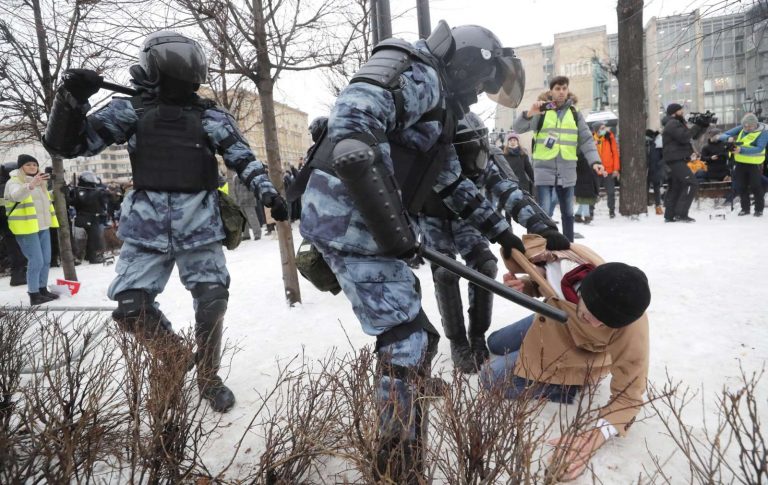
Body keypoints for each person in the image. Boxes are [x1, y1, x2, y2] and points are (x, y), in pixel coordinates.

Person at [299, 21, 567, 479]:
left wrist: (504, 234)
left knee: (419, 337)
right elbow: (351, 136)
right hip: (351, 221)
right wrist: (394, 231)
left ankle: (410, 392)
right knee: (404, 341)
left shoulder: (438, 105)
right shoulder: (417, 72)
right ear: (466, 66)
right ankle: (398, 462)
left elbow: (450, 181)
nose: (480, 96)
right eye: (482, 85)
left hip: (359, 222)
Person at [42, 30, 289, 413]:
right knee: (131, 308)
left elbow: (243, 157)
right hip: (146, 228)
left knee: (212, 300)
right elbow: (67, 145)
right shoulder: (131, 110)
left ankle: (208, 376)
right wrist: (71, 99)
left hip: (199, 225)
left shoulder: (210, 117)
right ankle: (175, 356)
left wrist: (268, 193)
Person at [480, 234, 650, 482]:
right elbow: (547, 279)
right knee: (494, 341)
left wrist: (596, 435)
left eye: (606, 322)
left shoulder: (632, 325)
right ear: (585, 291)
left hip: (576, 351)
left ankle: (567, 387)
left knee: (490, 377)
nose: (598, 323)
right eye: (593, 313)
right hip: (553, 317)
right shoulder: (576, 267)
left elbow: (630, 394)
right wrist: (527, 285)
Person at [418, 112, 565, 373]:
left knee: (485, 266)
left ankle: (477, 335)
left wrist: (541, 225)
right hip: (433, 219)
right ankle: (458, 341)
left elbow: (509, 191)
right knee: (445, 272)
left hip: (470, 218)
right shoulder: (429, 158)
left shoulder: (485, 161)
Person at [513, 76, 604, 241]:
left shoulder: (574, 114)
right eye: (557, 89)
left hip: (567, 170)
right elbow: (518, 128)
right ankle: (543, 245)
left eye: (564, 88)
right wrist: (528, 114)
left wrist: (595, 161)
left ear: (567, 90)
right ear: (551, 91)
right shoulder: (542, 111)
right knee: (544, 212)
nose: (561, 92)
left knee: (568, 213)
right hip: (544, 170)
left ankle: (569, 244)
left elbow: (586, 140)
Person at [3, 154, 61, 305]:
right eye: (28, 165)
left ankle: (42, 289)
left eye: (34, 165)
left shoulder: (40, 182)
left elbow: (44, 200)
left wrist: (58, 193)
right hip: (26, 227)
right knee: (36, 260)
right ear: (21, 166)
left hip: (42, 226)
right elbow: (16, 196)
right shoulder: (14, 181)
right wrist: (31, 185)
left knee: (46, 260)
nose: (32, 167)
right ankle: (34, 293)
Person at [661, 103, 708, 223]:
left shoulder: (676, 123)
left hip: (677, 159)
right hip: (675, 159)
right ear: (674, 112)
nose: (683, 112)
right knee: (692, 183)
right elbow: (684, 137)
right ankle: (681, 214)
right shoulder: (672, 123)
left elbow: (694, 136)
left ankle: (670, 215)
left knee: (678, 186)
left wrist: (703, 125)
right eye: (680, 110)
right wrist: (697, 125)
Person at [718, 113, 767, 217]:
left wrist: (741, 150)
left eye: (750, 126)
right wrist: (728, 138)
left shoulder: (764, 132)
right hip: (740, 162)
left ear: (756, 124)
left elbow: (759, 148)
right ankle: (745, 208)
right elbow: (723, 135)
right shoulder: (742, 127)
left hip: (754, 163)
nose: (747, 128)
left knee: (755, 186)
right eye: (745, 126)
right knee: (741, 186)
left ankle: (759, 209)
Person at [69, 171, 109, 264]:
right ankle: (79, 257)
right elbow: (73, 202)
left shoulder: (98, 191)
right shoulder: (77, 191)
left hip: (95, 217)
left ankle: (92, 256)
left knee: (95, 238)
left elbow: (104, 203)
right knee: (80, 239)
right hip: (82, 216)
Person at [593, 123, 620, 218]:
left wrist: (616, 169)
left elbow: (615, 154)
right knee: (593, 192)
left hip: (608, 170)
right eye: (602, 128)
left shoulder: (609, 138)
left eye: (605, 127)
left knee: (611, 192)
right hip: (596, 170)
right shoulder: (592, 139)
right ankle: (590, 211)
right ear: (597, 130)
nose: (605, 129)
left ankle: (611, 211)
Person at [574, 150, 599, 224]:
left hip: (584, 181)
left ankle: (577, 215)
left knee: (584, 200)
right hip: (585, 181)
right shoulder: (586, 157)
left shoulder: (581, 156)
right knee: (585, 200)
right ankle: (587, 216)